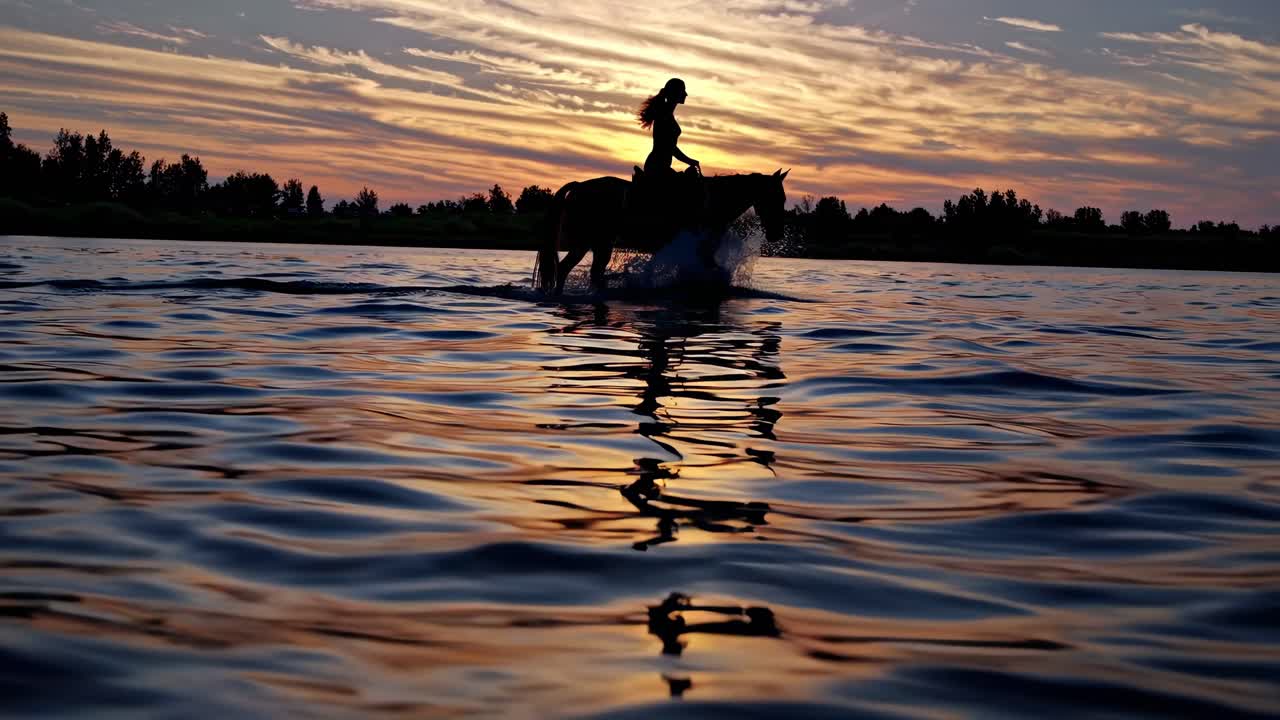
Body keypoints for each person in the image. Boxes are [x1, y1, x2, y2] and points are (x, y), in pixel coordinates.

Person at [639, 78, 700, 177]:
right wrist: (689, 161)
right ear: (676, 92)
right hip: (657, 167)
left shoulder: (667, 113)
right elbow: (669, 147)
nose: (686, 94)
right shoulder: (664, 114)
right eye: (683, 90)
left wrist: (689, 161)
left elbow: (670, 147)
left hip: (661, 166)